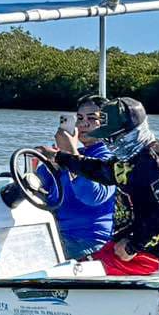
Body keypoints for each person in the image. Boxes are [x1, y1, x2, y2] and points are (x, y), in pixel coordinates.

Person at [44, 96, 159, 275]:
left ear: (131, 132)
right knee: (69, 267)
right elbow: (98, 170)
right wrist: (60, 158)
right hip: (122, 248)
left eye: (113, 137)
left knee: (70, 274)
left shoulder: (156, 163)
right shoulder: (129, 159)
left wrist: (134, 244)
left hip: (152, 256)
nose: (109, 142)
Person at [37, 95, 117, 259]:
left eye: (92, 118)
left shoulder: (111, 158)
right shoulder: (69, 155)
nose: (83, 124)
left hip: (90, 241)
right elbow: (38, 188)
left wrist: (70, 154)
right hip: (58, 235)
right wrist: (43, 164)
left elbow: (92, 196)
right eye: (79, 118)